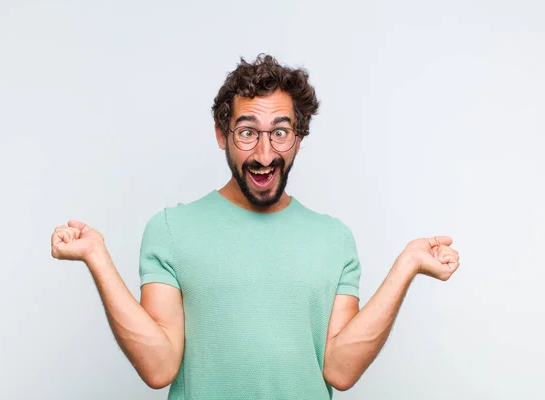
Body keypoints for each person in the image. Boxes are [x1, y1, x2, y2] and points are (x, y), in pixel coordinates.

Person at [50, 54, 460, 399]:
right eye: (247, 132)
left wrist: (406, 266)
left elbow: (340, 370)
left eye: (280, 132)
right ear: (221, 135)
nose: (265, 153)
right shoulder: (171, 229)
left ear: (299, 137)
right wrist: (97, 258)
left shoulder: (333, 239)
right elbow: (158, 368)